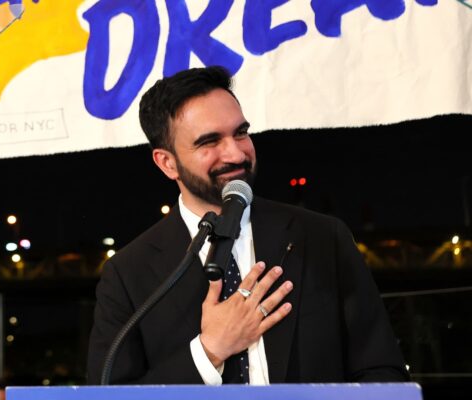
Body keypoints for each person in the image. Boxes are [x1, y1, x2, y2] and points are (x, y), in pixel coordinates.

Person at [87, 66, 409, 385]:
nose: (236, 153)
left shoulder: (323, 237)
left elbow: (382, 372)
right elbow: (110, 394)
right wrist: (209, 351)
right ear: (167, 163)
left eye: (240, 132)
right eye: (210, 141)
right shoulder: (127, 274)